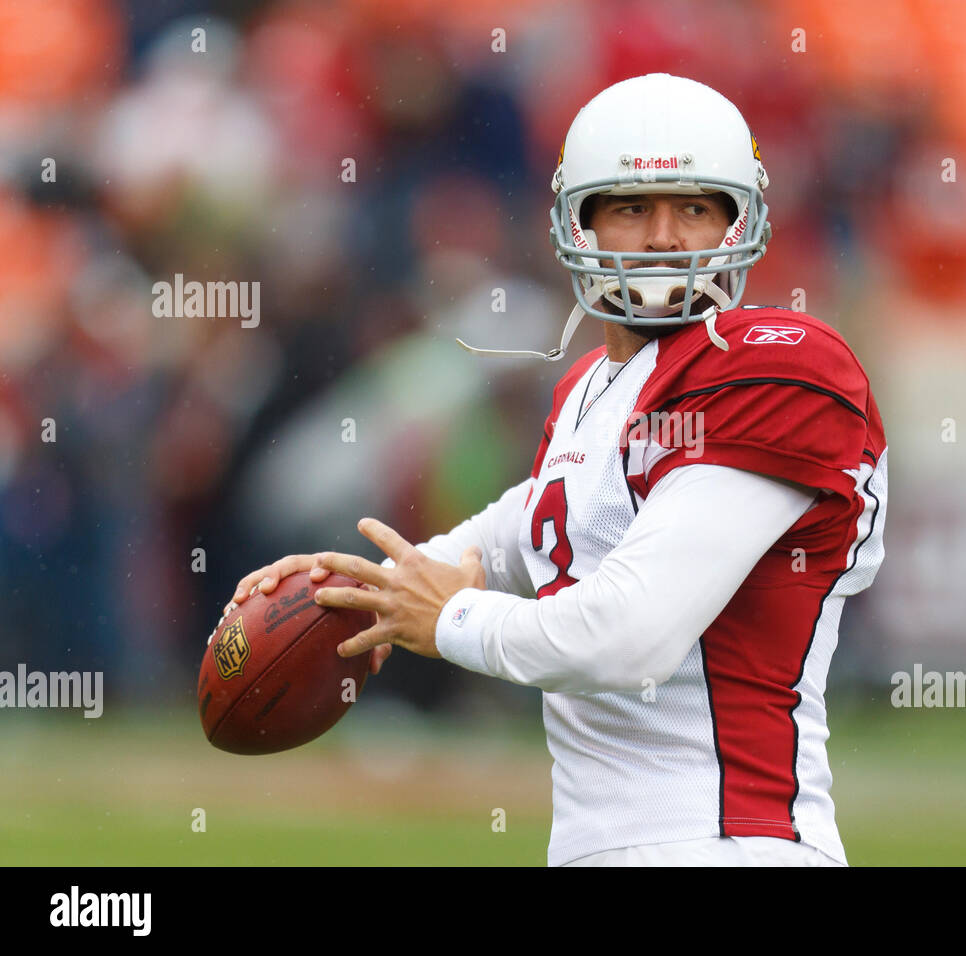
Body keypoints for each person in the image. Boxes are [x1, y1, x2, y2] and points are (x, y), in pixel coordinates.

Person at [222, 73, 888, 867]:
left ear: (739, 220)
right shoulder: (590, 390)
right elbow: (517, 532)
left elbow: (629, 637)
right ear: (580, 223)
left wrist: (450, 621)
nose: (668, 237)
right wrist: (361, 590)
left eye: (695, 207)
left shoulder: (777, 369)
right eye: (634, 208)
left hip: (728, 841)